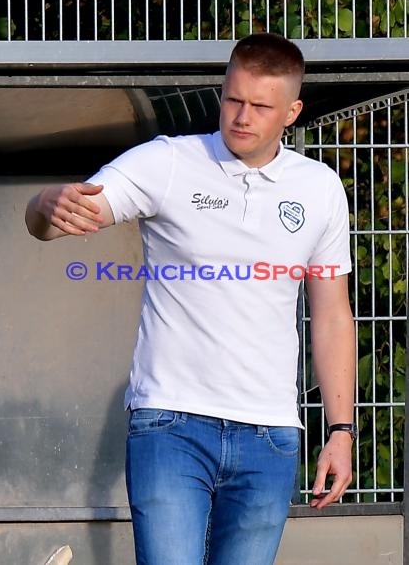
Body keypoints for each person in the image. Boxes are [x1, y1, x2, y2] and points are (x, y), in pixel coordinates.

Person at [25, 33, 355, 565]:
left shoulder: (319, 188)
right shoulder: (169, 162)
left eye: (260, 106)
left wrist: (340, 430)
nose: (241, 116)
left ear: (291, 111)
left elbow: (333, 314)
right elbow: (56, 221)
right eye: (233, 99)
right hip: (170, 425)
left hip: (270, 435)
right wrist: (45, 203)